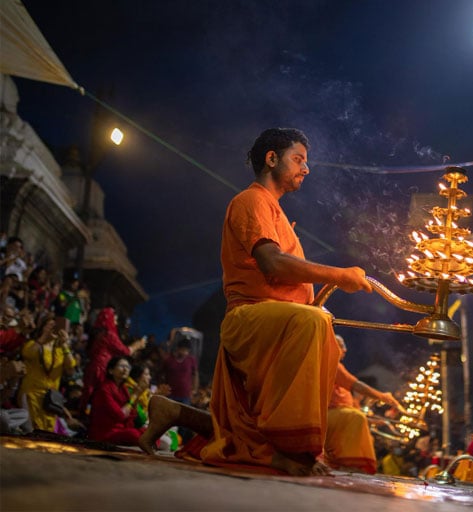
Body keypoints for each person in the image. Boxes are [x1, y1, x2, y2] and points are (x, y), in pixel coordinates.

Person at [140, 127, 372, 476]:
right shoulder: (251, 201)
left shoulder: (276, 213)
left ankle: (175, 413)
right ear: (271, 158)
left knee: (319, 323)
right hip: (250, 318)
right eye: (299, 160)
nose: (306, 169)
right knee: (314, 322)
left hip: (275, 319)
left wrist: (320, 295)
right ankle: (286, 451)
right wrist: (339, 275)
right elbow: (272, 263)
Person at [325, 334, 403, 474]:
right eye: (341, 345)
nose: (345, 349)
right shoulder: (331, 364)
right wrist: (382, 396)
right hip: (327, 415)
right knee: (356, 417)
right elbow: (356, 385)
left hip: (339, 416)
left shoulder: (338, 368)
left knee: (358, 418)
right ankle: (347, 463)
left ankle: (351, 465)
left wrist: (382, 422)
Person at [17, 312, 83, 431]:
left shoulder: (59, 349)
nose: (53, 328)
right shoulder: (33, 344)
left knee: (47, 434)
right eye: (49, 325)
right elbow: (28, 354)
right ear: (42, 327)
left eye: (56, 326)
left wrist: (65, 345)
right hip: (31, 394)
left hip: (50, 400)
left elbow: (71, 367)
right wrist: (44, 338)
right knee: (32, 432)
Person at [80, 307, 145, 412]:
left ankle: (83, 414)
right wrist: (138, 345)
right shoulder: (109, 334)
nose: (116, 323)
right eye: (114, 319)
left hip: (92, 366)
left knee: (88, 393)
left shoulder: (97, 333)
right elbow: (125, 351)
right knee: (98, 395)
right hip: (102, 368)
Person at [87, 356, 148, 446]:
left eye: (127, 367)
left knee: (149, 432)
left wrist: (137, 396)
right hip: (106, 432)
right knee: (134, 434)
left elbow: (132, 414)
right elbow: (119, 415)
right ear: (111, 371)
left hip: (122, 429)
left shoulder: (123, 389)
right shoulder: (104, 389)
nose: (125, 369)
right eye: (122, 366)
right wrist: (134, 395)